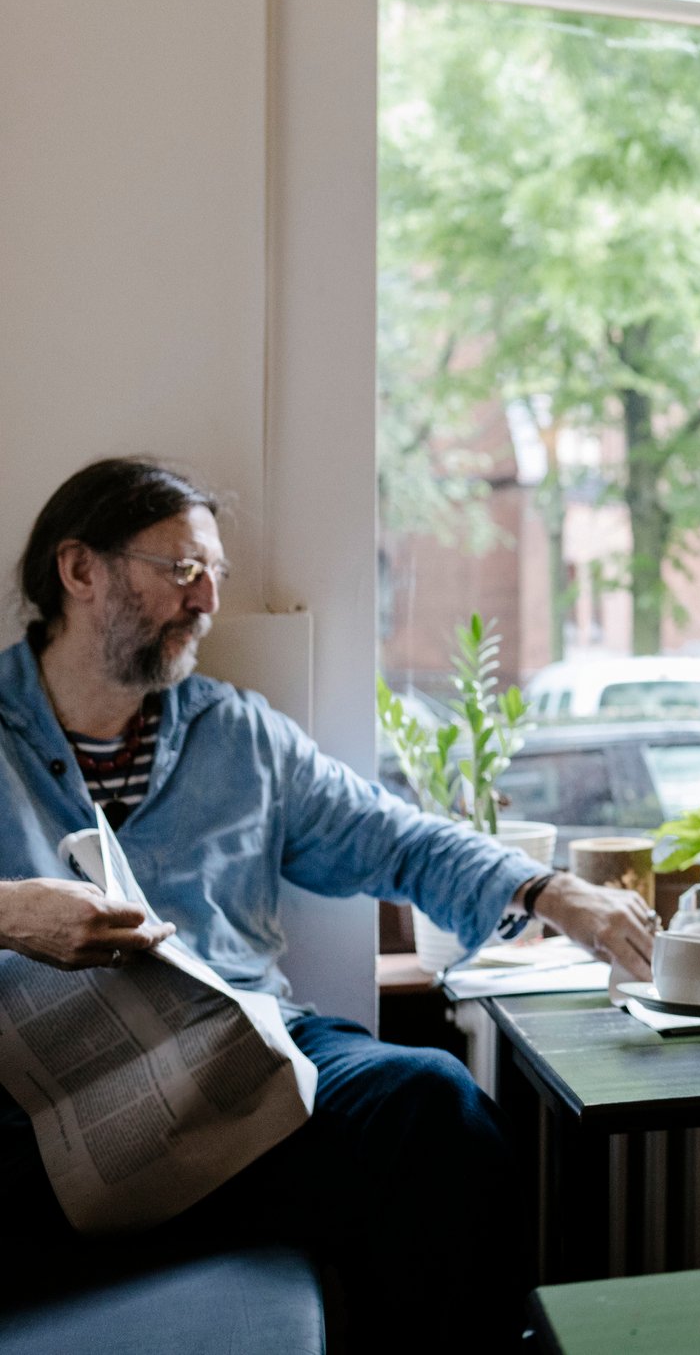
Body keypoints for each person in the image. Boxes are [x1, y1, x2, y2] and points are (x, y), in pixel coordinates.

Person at [0, 458, 659, 1350]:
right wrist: (10, 913)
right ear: (80, 572)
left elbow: (394, 837)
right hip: (45, 1109)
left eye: (215, 577)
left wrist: (548, 889)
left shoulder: (240, 735)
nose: (206, 603)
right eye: (183, 571)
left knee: (429, 1100)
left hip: (243, 1071)